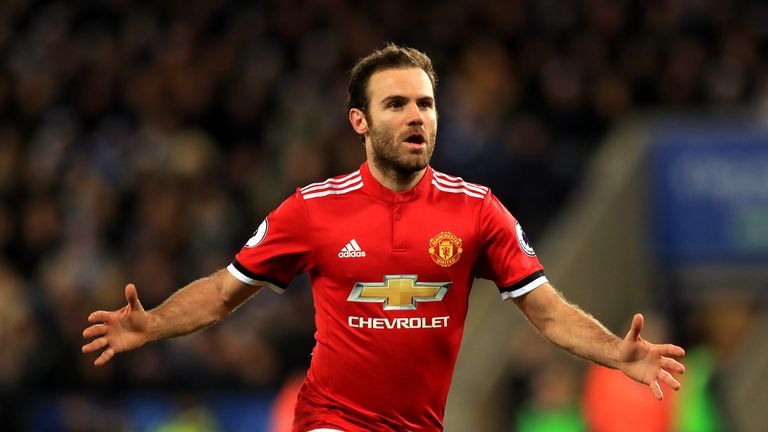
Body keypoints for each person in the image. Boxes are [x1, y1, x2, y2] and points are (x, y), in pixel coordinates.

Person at [82, 44, 685, 431]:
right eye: (395, 104)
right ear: (360, 121)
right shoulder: (312, 210)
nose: (415, 116)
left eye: (425, 103)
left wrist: (617, 352)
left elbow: (548, 313)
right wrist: (151, 324)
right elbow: (222, 291)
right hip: (331, 421)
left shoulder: (477, 211)